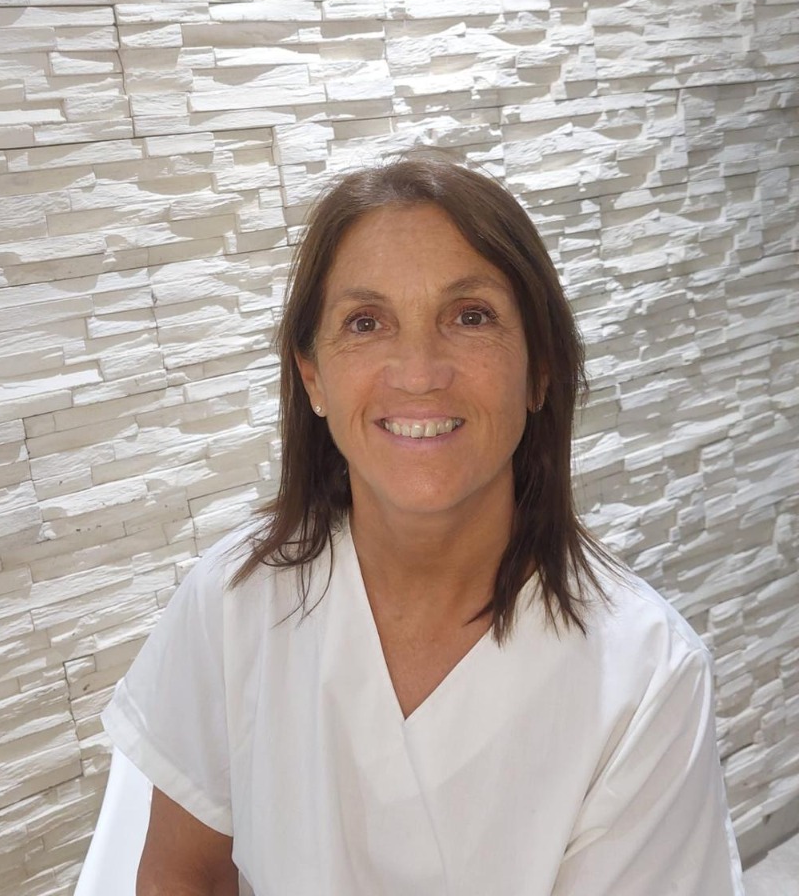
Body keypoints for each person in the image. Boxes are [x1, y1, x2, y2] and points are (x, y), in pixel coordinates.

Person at [88, 155, 745, 895]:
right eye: (366, 323)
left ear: (540, 368)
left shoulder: (649, 677)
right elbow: (182, 875)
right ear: (313, 376)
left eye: (471, 316)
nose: (420, 371)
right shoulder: (231, 601)